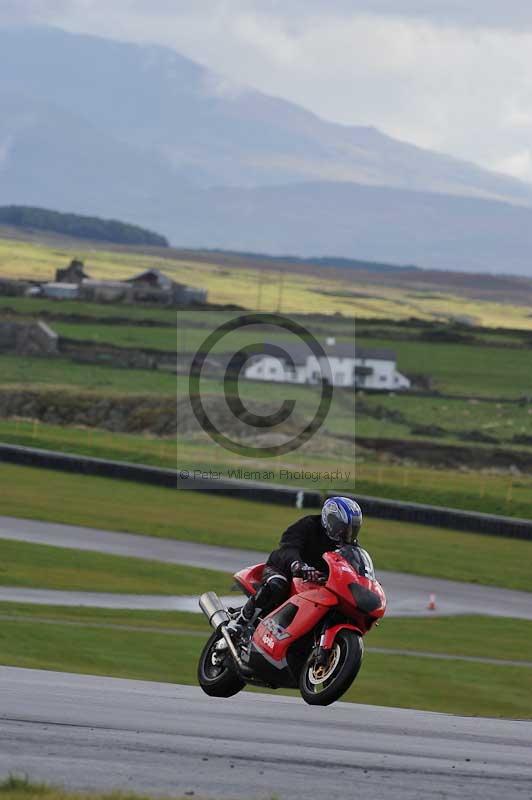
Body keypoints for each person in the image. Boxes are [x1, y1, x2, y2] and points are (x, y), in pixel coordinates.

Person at [228, 496, 363, 636]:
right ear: (329, 521)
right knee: (277, 584)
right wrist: (297, 564)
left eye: (352, 529)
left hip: (316, 585)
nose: (347, 533)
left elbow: (355, 567)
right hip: (285, 569)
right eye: (343, 528)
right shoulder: (309, 525)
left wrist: (365, 582)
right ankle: (240, 621)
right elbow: (288, 547)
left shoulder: (350, 547)